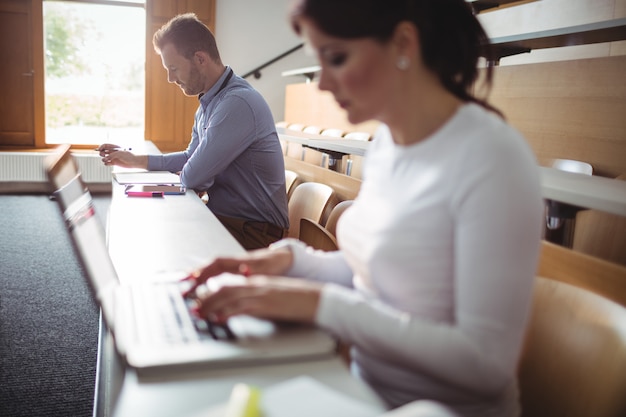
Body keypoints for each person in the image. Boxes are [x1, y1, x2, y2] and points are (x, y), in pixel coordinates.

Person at [185, 1, 543, 416]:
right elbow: (376, 277)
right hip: (362, 394)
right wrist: (286, 261)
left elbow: (486, 364)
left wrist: (320, 304)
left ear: (403, 42)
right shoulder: (390, 144)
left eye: (336, 57)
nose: (321, 84)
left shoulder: (494, 159)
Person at [97, 13, 289, 250]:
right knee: (156, 228)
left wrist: (192, 176)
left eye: (174, 68)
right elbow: (191, 159)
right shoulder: (210, 103)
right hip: (228, 222)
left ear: (200, 59)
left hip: (254, 235)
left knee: (158, 239)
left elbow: (192, 176)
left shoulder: (237, 103)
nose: (170, 78)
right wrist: (136, 160)